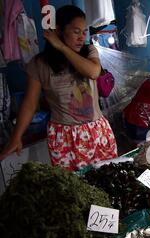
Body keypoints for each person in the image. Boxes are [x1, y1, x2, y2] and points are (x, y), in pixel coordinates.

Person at [0, 5, 117, 171]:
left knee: (108, 178)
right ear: (59, 31)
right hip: (64, 137)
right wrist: (16, 137)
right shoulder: (39, 64)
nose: (81, 37)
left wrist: (62, 47)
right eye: (76, 31)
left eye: (84, 32)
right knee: (75, 189)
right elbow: (30, 103)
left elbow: (93, 72)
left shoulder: (89, 51)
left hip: (97, 131)